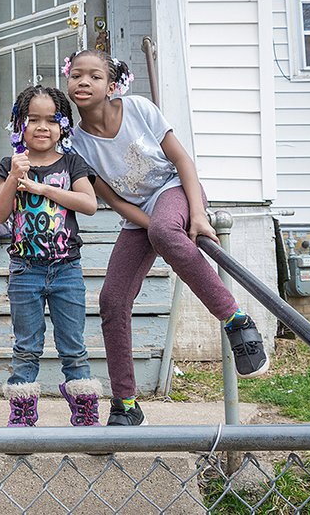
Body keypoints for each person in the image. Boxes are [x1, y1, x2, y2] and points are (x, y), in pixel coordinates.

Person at [64, 49, 270, 427]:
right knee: (112, 298)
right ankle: (126, 403)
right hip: (140, 214)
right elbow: (113, 200)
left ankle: (237, 320)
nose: (83, 82)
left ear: (112, 86)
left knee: (165, 229)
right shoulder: (77, 144)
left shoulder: (139, 109)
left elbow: (183, 162)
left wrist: (197, 214)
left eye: (94, 76)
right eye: (77, 75)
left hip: (176, 190)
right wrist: (154, 226)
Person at [0, 85, 102, 427]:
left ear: (64, 125)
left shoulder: (72, 163)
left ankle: (84, 406)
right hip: (25, 270)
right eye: (33, 119)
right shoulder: (11, 165)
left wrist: (43, 188)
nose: (43, 127)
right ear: (18, 125)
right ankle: (23, 408)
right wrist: (14, 175)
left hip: (66, 268)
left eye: (52, 120)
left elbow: (89, 204)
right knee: (26, 345)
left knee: (73, 344)